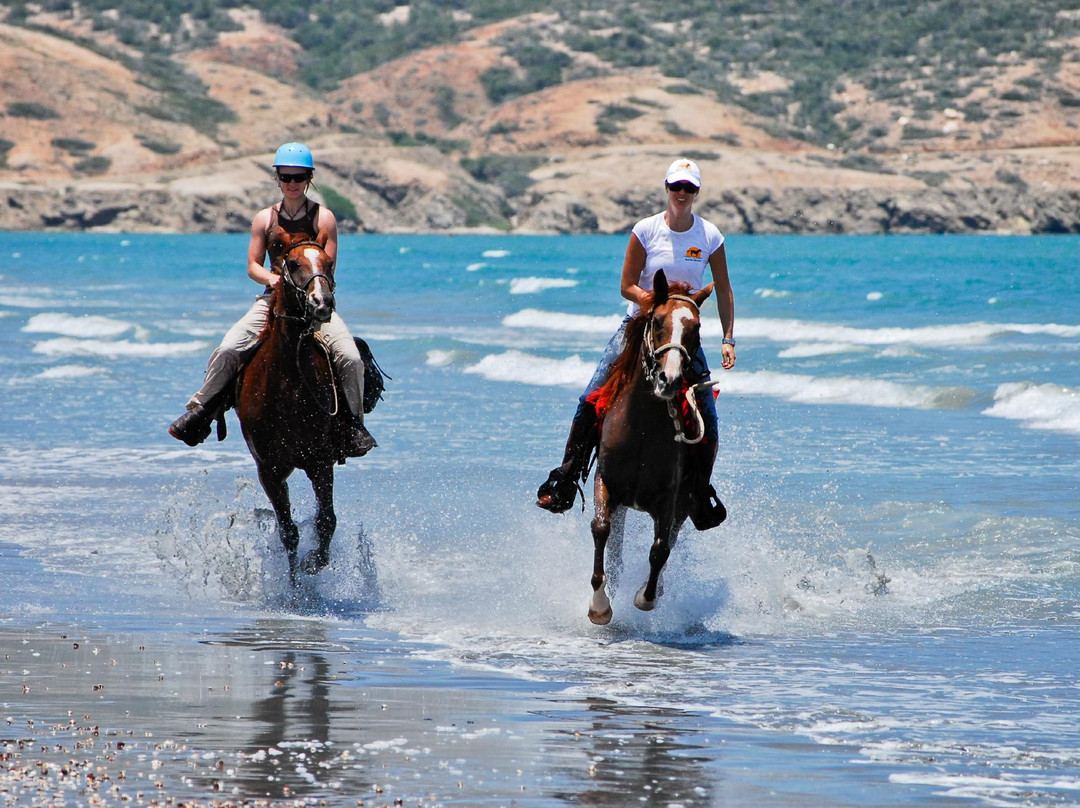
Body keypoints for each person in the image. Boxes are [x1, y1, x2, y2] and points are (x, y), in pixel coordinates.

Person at [536, 157, 735, 529]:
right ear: (666, 188)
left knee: (708, 411)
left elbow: (723, 289)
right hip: (640, 325)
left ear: (697, 193)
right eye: (676, 186)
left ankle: (700, 492)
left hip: (682, 332)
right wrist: (659, 305)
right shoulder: (646, 229)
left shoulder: (710, 236)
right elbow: (627, 285)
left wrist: (727, 338)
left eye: (689, 188)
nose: (681, 193)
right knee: (590, 398)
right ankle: (565, 477)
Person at [169, 142, 376, 457]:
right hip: (272, 301)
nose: (292, 184)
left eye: (299, 177)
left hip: (314, 304)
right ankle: (201, 412)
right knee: (229, 348)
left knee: (350, 357)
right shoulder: (264, 219)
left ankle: (353, 427)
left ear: (309, 178)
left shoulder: (325, 219)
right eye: (286, 177)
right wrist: (274, 279)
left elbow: (327, 267)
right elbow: (253, 265)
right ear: (278, 178)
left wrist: (310, 289)